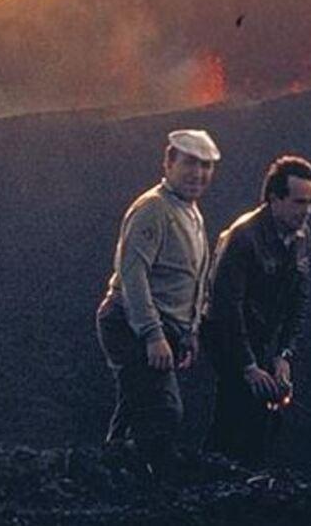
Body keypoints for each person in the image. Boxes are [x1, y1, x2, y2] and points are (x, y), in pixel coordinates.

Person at [95, 129, 220, 476]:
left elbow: (190, 279)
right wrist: (152, 334)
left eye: (206, 165)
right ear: (168, 162)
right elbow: (133, 275)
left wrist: (188, 332)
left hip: (163, 327)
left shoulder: (189, 212)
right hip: (129, 323)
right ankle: (156, 483)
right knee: (164, 410)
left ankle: (109, 473)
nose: (199, 173)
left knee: (134, 405)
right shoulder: (153, 208)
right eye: (191, 163)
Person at [200, 155, 311, 465]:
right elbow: (227, 307)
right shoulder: (243, 238)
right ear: (274, 199)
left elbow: (298, 300)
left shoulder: (301, 237)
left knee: (269, 413)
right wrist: (247, 366)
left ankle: (242, 480)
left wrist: (284, 354)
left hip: (264, 337)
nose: (306, 210)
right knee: (238, 410)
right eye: (298, 202)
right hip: (227, 337)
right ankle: (214, 481)